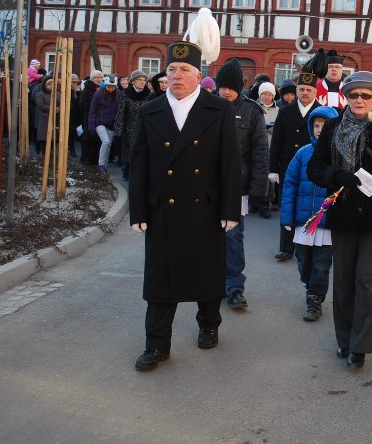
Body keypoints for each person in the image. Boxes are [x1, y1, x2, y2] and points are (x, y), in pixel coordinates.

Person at [129, 41, 241, 372]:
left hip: (205, 207)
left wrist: (230, 209)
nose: (177, 76)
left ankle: (209, 325)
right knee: (160, 280)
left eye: (185, 70)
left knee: (206, 272)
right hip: (163, 207)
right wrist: (139, 210)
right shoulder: (150, 110)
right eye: (172, 70)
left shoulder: (218, 109)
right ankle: (156, 345)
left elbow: (229, 164)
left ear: (198, 75)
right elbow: (138, 163)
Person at [307, 71, 372, 369]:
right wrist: (336, 176)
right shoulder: (331, 126)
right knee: (343, 278)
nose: (359, 100)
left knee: (367, 279)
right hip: (343, 210)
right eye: (353, 95)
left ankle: (360, 346)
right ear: (346, 97)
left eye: (366, 95)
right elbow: (315, 168)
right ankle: (344, 339)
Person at [215, 59, 270, 310]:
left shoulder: (252, 111)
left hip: (238, 185)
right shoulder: (207, 107)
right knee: (208, 236)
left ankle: (235, 286)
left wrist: (258, 189)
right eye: (222, 86)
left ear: (240, 87)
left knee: (233, 236)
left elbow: (260, 152)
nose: (225, 91)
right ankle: (213, 283)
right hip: (208, 184)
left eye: (231, 87)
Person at [280, 106, 339, 321]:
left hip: (326, 222)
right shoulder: (302, 153)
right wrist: (287, 217)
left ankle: (315, 298)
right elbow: (290, 185)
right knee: (303, 260)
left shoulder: (339, 155)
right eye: (316, 125)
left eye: (324, 126)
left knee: (321, 264)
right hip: (304, 221)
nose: (319, 129)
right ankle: (310, 286)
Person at [269, 62, 322, 261]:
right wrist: (273, 169)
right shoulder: (285, 111)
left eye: (309, 89)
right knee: (288, 205)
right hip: (288, 166)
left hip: (313, 166)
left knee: (310, 205)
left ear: (315, 92)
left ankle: (309, 246)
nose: (304, 93)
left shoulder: (321, 112)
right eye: (301, 89)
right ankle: (286, 247)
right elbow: (277, 142)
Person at [114, 69, 151, 181]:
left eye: (144, 80)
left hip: (145, 128)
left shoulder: (148, 95)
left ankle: (140, 174)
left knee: (142, 152)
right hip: (130, 128)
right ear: (133, 81)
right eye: (139, 80)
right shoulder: (126, 94)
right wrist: (119, 130)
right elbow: (120, 113)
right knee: (129, 151)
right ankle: (126, 172)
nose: (142, 82)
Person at [88, 75, 120, 173]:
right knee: (105, 141)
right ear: (105, 85)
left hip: (111, 123)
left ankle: (104, 166)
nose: (110, 89)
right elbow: (92, 110)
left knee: (108, 144)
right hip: (99, 121)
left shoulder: (118, 94)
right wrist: (91, 127)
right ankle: (101, 165)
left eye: (112, 87)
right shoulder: (98, 94)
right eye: (108, 87)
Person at [258, 81, 280, 215]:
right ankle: (255, 201)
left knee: (269, 176)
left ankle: (265, 203)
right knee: (256, 174)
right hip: (256, 146)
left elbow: (280, 129)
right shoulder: (254, 107)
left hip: (271, 146)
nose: (267, 97)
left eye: (269, 94)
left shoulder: (278, 111)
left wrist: (271, 128)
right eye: (264, 94)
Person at [79, 70, 104, 166]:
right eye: (96, 77)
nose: (99, 79)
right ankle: (86, 160)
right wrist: (95, 105)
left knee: (99, 140)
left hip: (101, 118)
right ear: (92, 78)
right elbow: (82, 104)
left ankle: (96, 161)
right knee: (89, 139)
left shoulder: (103, 89)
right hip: (89, 118)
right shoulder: (87, 89)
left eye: (101, 77)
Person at [34, 76, 59, 155]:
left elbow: (62, 104)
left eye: (53, 84)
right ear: (45, 85)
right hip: (45, 120)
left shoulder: (58, 94)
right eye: (49, 84)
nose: (51, 86)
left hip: (56, 120)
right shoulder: (40, 94)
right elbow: (41, 105)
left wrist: (58, 109)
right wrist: (53, 109)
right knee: (45, 142)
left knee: (54, 141)